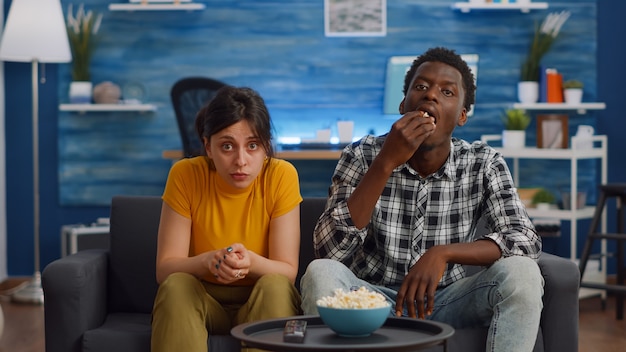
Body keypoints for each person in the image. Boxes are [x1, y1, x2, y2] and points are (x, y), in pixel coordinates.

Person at [300, 47, 543, 351]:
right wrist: (385, 162)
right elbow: (330, 252)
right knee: (319, 273)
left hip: (449, 302)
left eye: (447, 92)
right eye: (421, 87)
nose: (431, 96)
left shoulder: (484, 163)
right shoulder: (362, 155)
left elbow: (524, 239)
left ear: (462, 115)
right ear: (404, 104)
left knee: (523, 273)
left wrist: (442, 254)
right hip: (369, 301)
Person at [151, 86, 303, 352]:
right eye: (227, 146)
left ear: (266, 147)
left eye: (252, 145)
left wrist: (250, 261)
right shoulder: (185, 174)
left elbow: (287, 272)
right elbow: (164, 269)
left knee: (277, 286)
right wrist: (209, 261)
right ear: (208, 147)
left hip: (261, 298)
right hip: (202, 298)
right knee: (176, 284)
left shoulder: (282, 175)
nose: (241, 161)